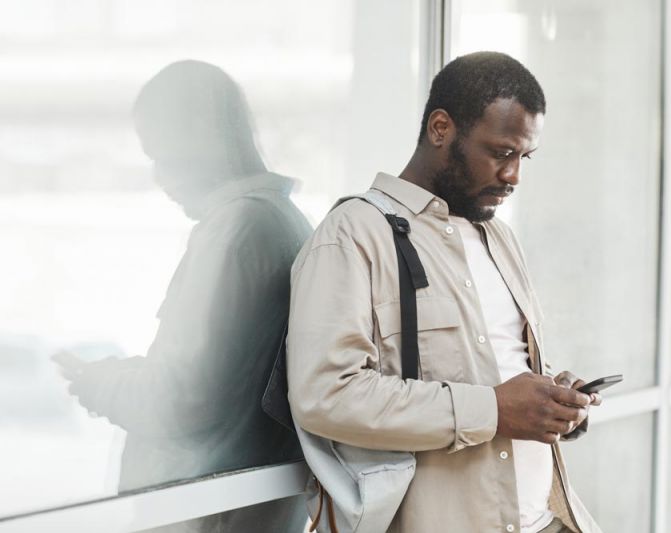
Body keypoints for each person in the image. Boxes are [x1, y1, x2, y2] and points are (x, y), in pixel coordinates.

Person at [286, 52, 603, 533]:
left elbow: (502, 369)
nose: (514, 175)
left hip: (547, 520)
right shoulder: (352, 235)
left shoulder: (497, 236)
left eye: (524, 157)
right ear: (441, 129)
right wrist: (494, 410)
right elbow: (325, 396)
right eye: (500, 152)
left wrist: (553, 403)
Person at [54, 60, 310, 532]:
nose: (159, 177)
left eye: (161, 156)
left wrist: (98, 383)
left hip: (205, 513)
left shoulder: (236, 232)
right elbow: (221, 380)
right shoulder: (282, 221)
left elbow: (182, 401)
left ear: (199, 133)